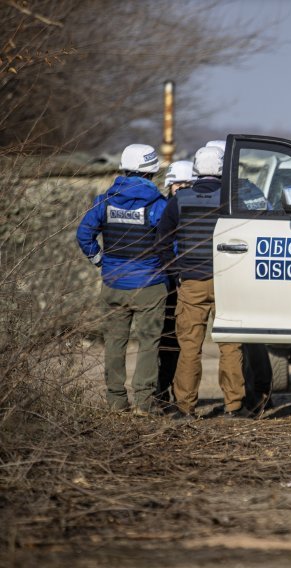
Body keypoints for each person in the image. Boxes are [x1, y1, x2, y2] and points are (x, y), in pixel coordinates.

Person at [156, 146, 249, 420]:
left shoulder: (180, 199)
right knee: (230, 345)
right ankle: (235, 406)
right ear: (222, 169)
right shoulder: (232, 198)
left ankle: (185, 407)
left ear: (196, 169)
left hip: (191, 283)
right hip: (227, 282)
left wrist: (176, 270)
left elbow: (161, 241)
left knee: (189, 347)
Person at [76, 143, 168, 416]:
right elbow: (170, 245)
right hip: (149, 284)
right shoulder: (158, 204)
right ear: (152, 172)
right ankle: (145, 402)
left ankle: (116, 403)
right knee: (149, 342)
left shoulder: (104, 201)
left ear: (124, 169)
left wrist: (100, 260)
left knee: (115, 343)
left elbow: (84, 235)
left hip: (113, 283)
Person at [155, 160, 196, 406]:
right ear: (169, 185)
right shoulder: (163, 208)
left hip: (186, 280)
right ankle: (162, 392)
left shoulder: (191, 208)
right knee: (167, 340)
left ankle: (174, 392)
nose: (181, 187)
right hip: (169, 282)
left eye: (186, 183)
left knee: (183, 342)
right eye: (177, 183)